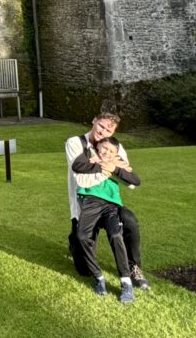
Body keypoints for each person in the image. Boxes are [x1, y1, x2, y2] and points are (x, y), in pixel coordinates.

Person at [65, 112, 150, 290]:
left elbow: (130, 180)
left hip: (109, 203)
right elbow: (80, 174)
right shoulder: (76, 143)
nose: (103, 131)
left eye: (108, 130)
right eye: (101, 126)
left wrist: (115, 169)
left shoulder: (114, 146)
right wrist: (110, 167)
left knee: (130, 221)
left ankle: (134, 267)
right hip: (85, 203)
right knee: (84, 269)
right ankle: (75, 243)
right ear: (94, 121)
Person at [74, 136, 141, 301]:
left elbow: (136, 180)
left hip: (111, 205)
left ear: (116, 154)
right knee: (82, 237)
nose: (106, 152)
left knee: (116, 234)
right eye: (103, 148)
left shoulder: (117, 164)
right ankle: (98, 277)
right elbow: (77, 166)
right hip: (90, 202)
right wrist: (97, 163)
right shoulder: (89, 160)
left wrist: (116, 168)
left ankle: (126, 282)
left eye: (111, 151)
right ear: (97, 148)